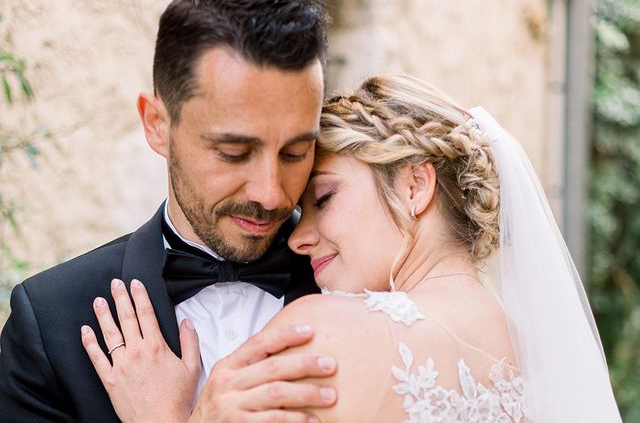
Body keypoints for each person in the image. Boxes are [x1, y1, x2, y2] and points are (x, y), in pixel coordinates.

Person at [85, 75, 622, 422]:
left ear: (415, 186)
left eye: (324, 197)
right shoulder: (533, 352)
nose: (298, 235)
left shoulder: (324, 330)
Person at [0, 0, 340, 422]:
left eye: (296, 151)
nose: (271, 192)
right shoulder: (50, 322)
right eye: (234, 152)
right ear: (157, 125)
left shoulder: (363, 289)